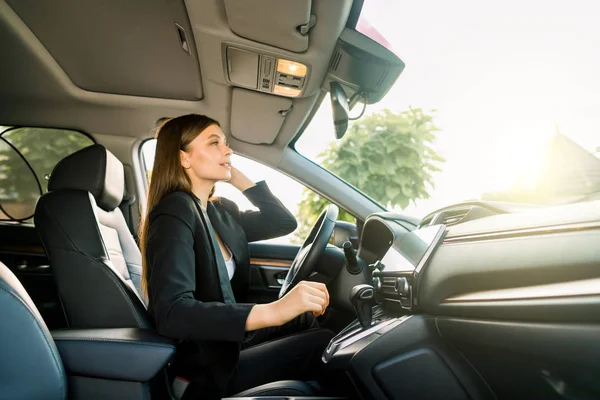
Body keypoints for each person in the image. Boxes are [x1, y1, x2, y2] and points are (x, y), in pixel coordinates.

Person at [139, 114, 333, 399]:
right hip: (206, 366)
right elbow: (172, 313)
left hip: (226, 342)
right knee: (323, 344)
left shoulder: (218, 211)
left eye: (226, 144)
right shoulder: (174, 213)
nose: (228, 150)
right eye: (214, 143)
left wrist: (232, 174)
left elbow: (281, 222)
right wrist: (274, 310)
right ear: (184, 159)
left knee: (304, 317)